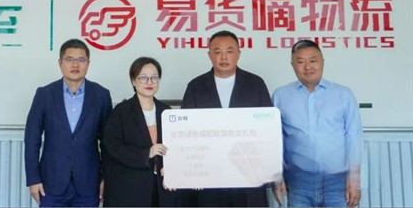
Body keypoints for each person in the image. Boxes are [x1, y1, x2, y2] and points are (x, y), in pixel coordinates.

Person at [181, 30, 272, 207]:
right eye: (218, 51)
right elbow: (186, 131)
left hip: (249, 176)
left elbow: (268, 129)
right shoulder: (196, 87)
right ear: (209, 55)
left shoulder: (256, 84)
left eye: (229, 51)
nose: (224, 57)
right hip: (209, 177)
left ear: (238, 54)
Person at [272, 39, 363, 208]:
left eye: (313, 60)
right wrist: (277, 178)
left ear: (322, 62)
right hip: (298, 184)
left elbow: (353, 137)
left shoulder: (343, 94)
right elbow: (275, 140)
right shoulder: (281, 96)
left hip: (338, 183)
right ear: (292, 65)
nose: (307, 67)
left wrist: (355, 180)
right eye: (301, 62)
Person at [24, 38, 112, 207]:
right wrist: (33, 179)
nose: (75, 65)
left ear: (88, 63)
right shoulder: (44, 94)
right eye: (69, 59)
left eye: (81, 60)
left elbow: (107, 142)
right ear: (60, 63)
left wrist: (106, 177)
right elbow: (32, 139)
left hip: (89, 183)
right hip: (51, 183)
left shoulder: (101, 95)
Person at [102, 57, 181, 207]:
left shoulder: (166, 111)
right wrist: (146, 153)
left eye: (154, 78)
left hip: (163, 187)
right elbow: (112, 147)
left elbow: (177, 146)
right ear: (133, 81)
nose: (149, 82)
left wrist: (172, 166)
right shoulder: (121, 111)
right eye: (143, 78)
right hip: (131, 189)